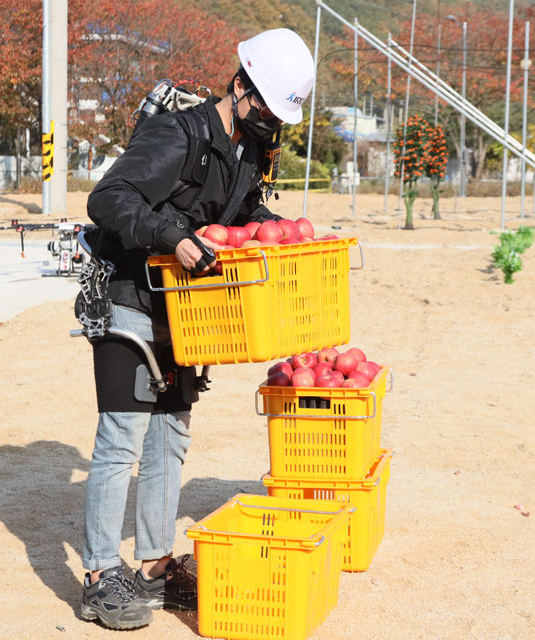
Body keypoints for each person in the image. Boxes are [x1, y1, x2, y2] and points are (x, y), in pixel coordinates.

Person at [77, 28, 316, 631]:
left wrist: (282, 231)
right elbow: (108, 199)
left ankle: (154, 565)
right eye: (264, 107)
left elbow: (242, 214)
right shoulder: (178, 134)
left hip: (188, 308)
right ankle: (101, 576)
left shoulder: (249, 149)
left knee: (170, 437)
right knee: (122, 439)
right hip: (131, 290)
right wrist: (172, 237)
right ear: (240, 87)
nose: (269, 122)